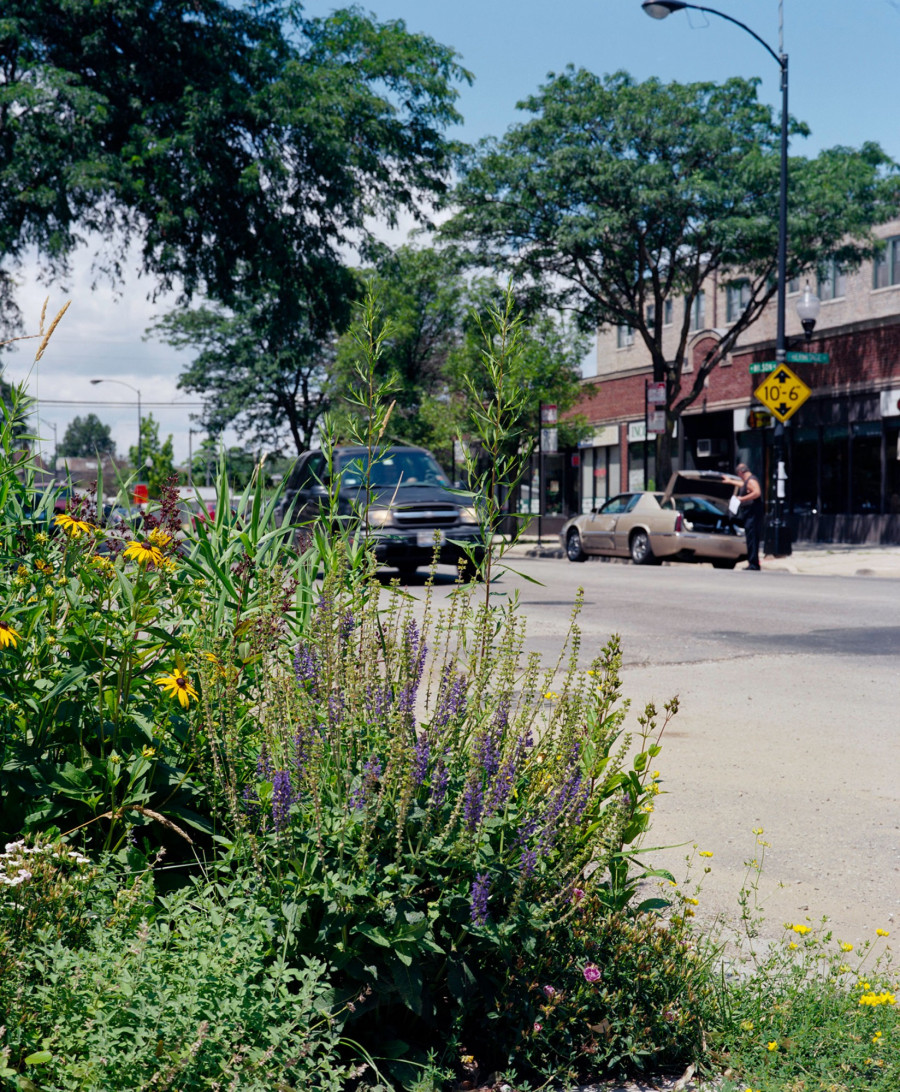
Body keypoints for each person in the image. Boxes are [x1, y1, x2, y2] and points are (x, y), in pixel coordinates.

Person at [736, 462, 764, 570]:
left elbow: (757, 492)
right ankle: (752, 562)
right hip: (750, 514)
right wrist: (729, 481)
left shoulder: (751, 480)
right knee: (750, 537)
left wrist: (742, 499)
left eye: (738, 474)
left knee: (752, 538)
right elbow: (742, 484)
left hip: (753, 514)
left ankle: (754, 564)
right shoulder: (747, 481)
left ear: (740, 472)